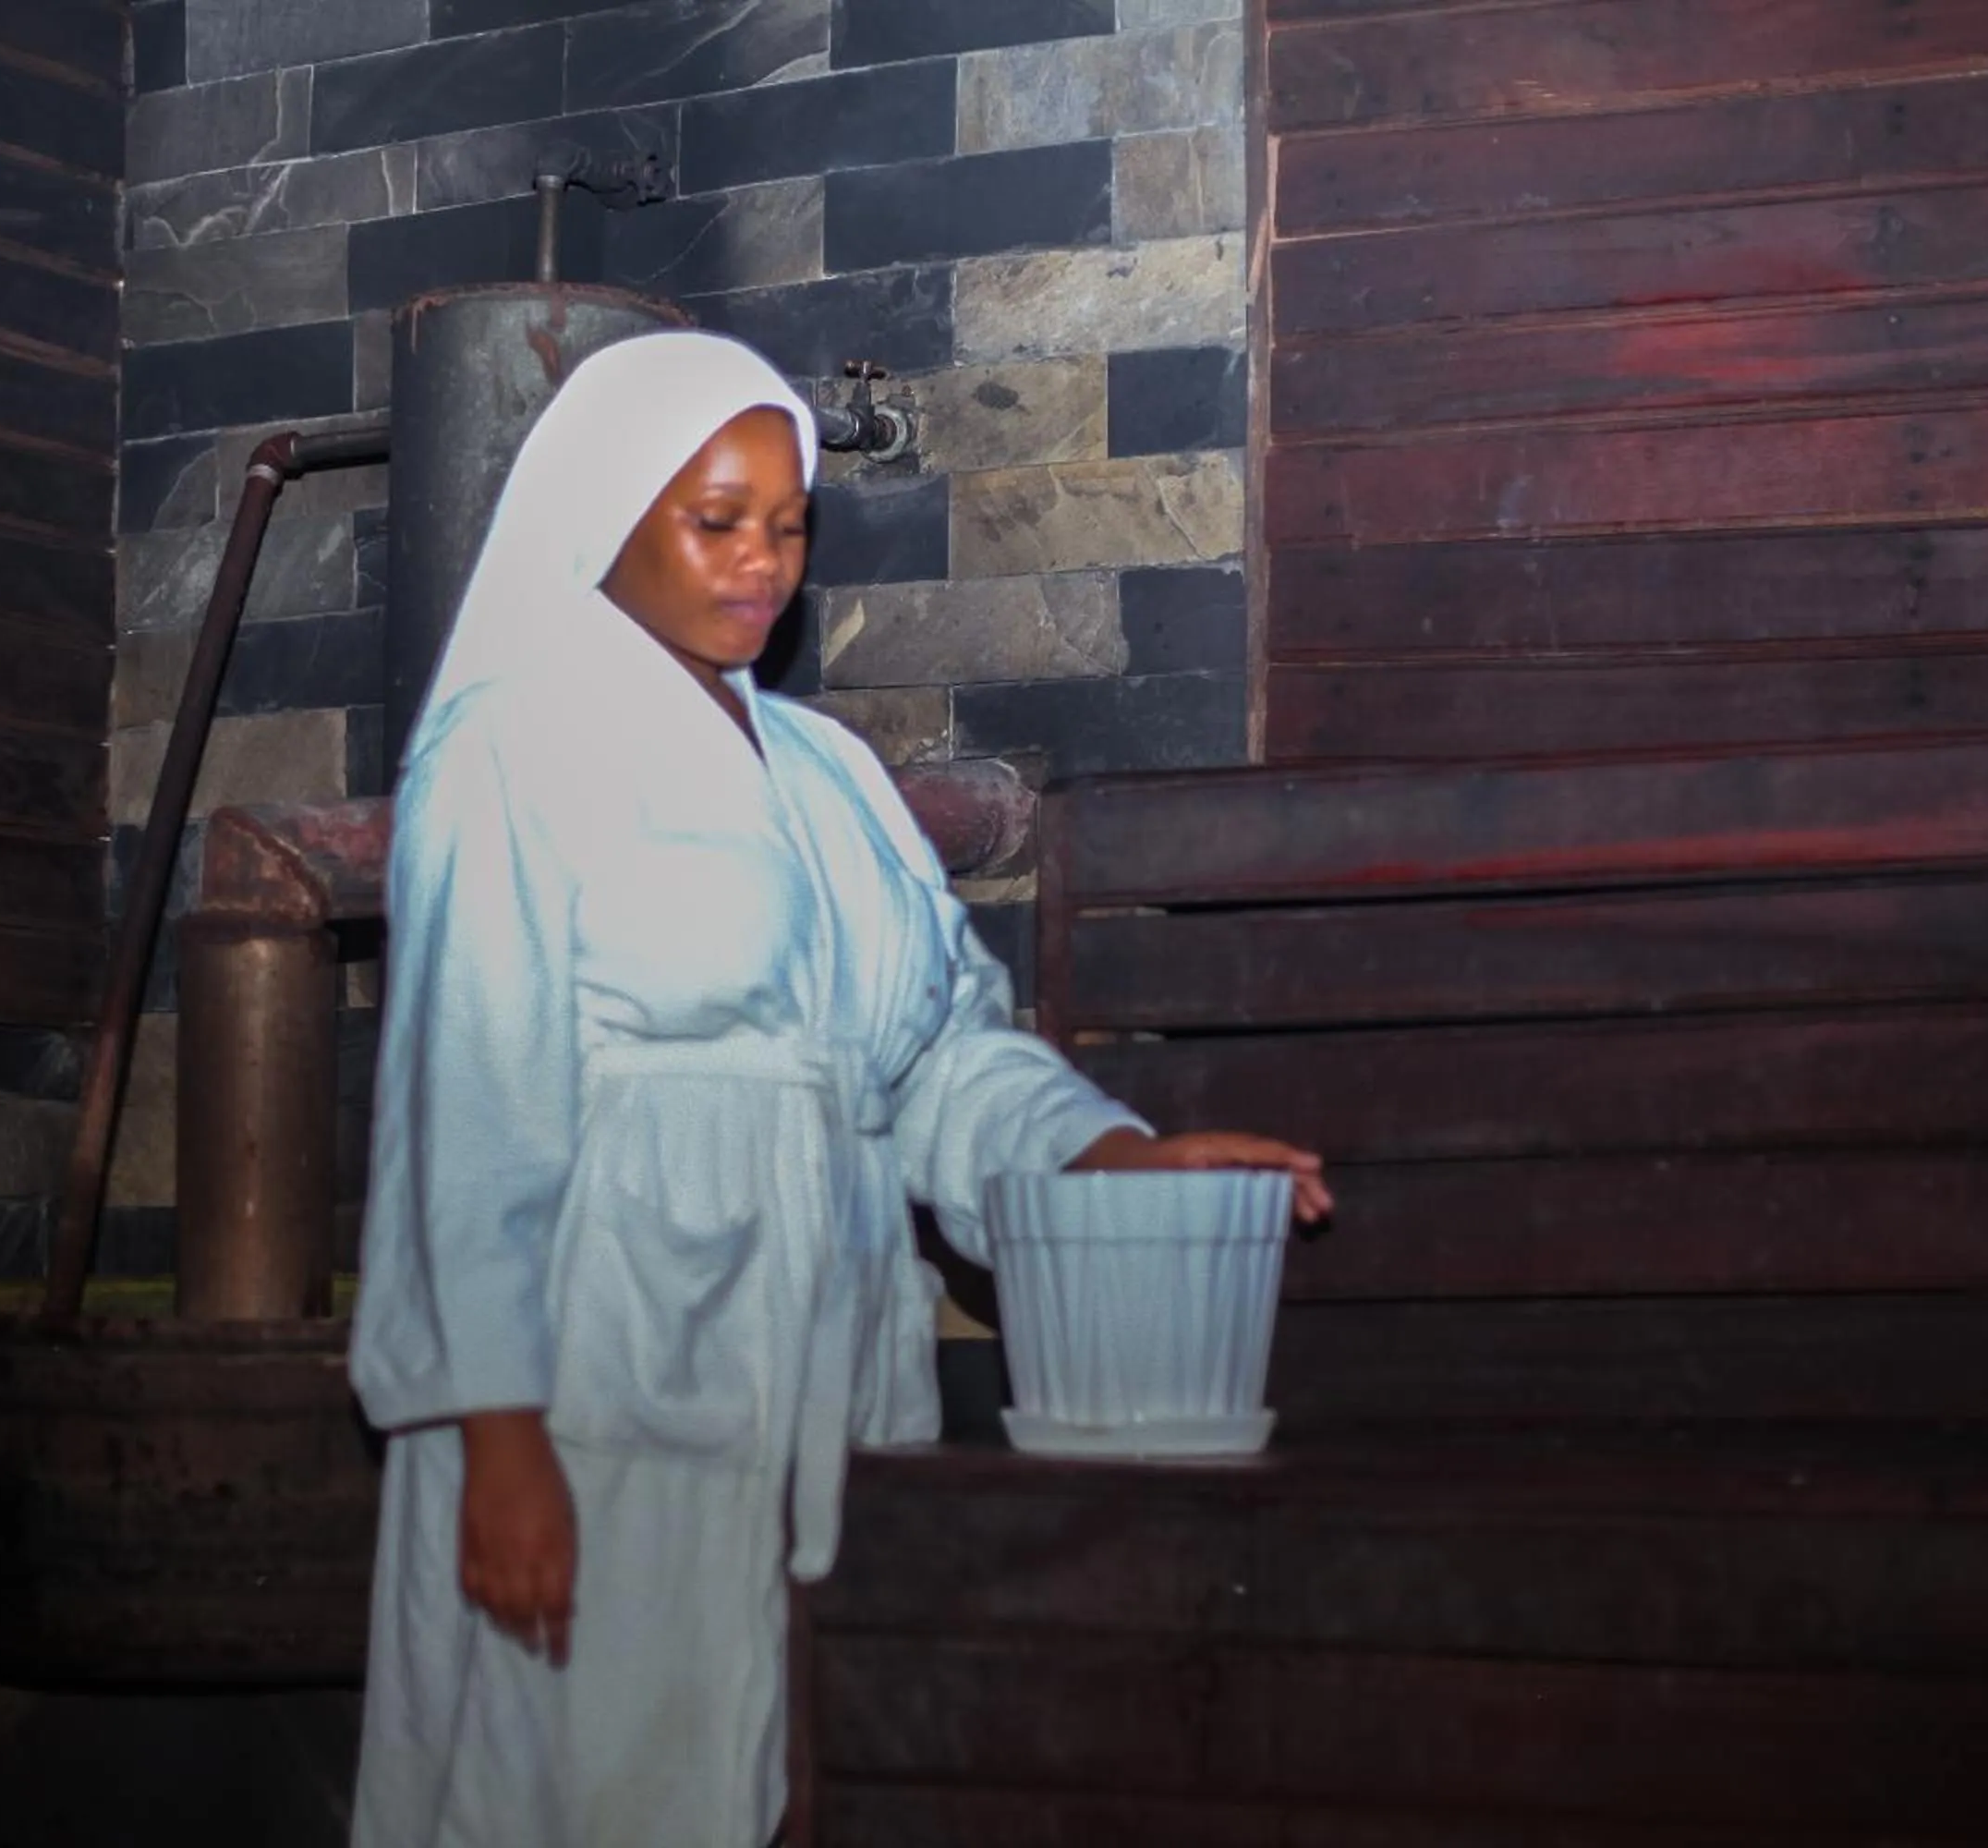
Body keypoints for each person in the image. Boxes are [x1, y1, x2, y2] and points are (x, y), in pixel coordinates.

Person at [347, 330, 1331, 1848]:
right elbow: (468, 1109)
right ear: (606, 515)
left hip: (823, 1407)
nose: (761, 562)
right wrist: (500, 1439)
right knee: (579, 1796)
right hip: (602, 1413)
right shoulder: (515, 752)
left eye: (788, 524)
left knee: (788, 1790)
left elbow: (936, 1048)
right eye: (714, 520)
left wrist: (1104, 1165)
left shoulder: (828, 775)